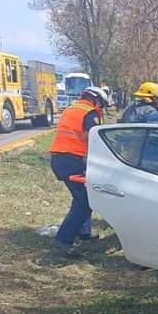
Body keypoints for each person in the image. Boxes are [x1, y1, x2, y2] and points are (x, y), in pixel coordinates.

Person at [49, 86, 111, 257]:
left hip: (59, 158)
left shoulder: (71, 108)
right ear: (96, 100)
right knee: (84, 202)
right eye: (102, 104)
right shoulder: (90, 113)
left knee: (83, 197)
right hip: (73, 160)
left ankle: (84, 232)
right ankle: (63, 241)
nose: (101, 108)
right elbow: (91, 139)